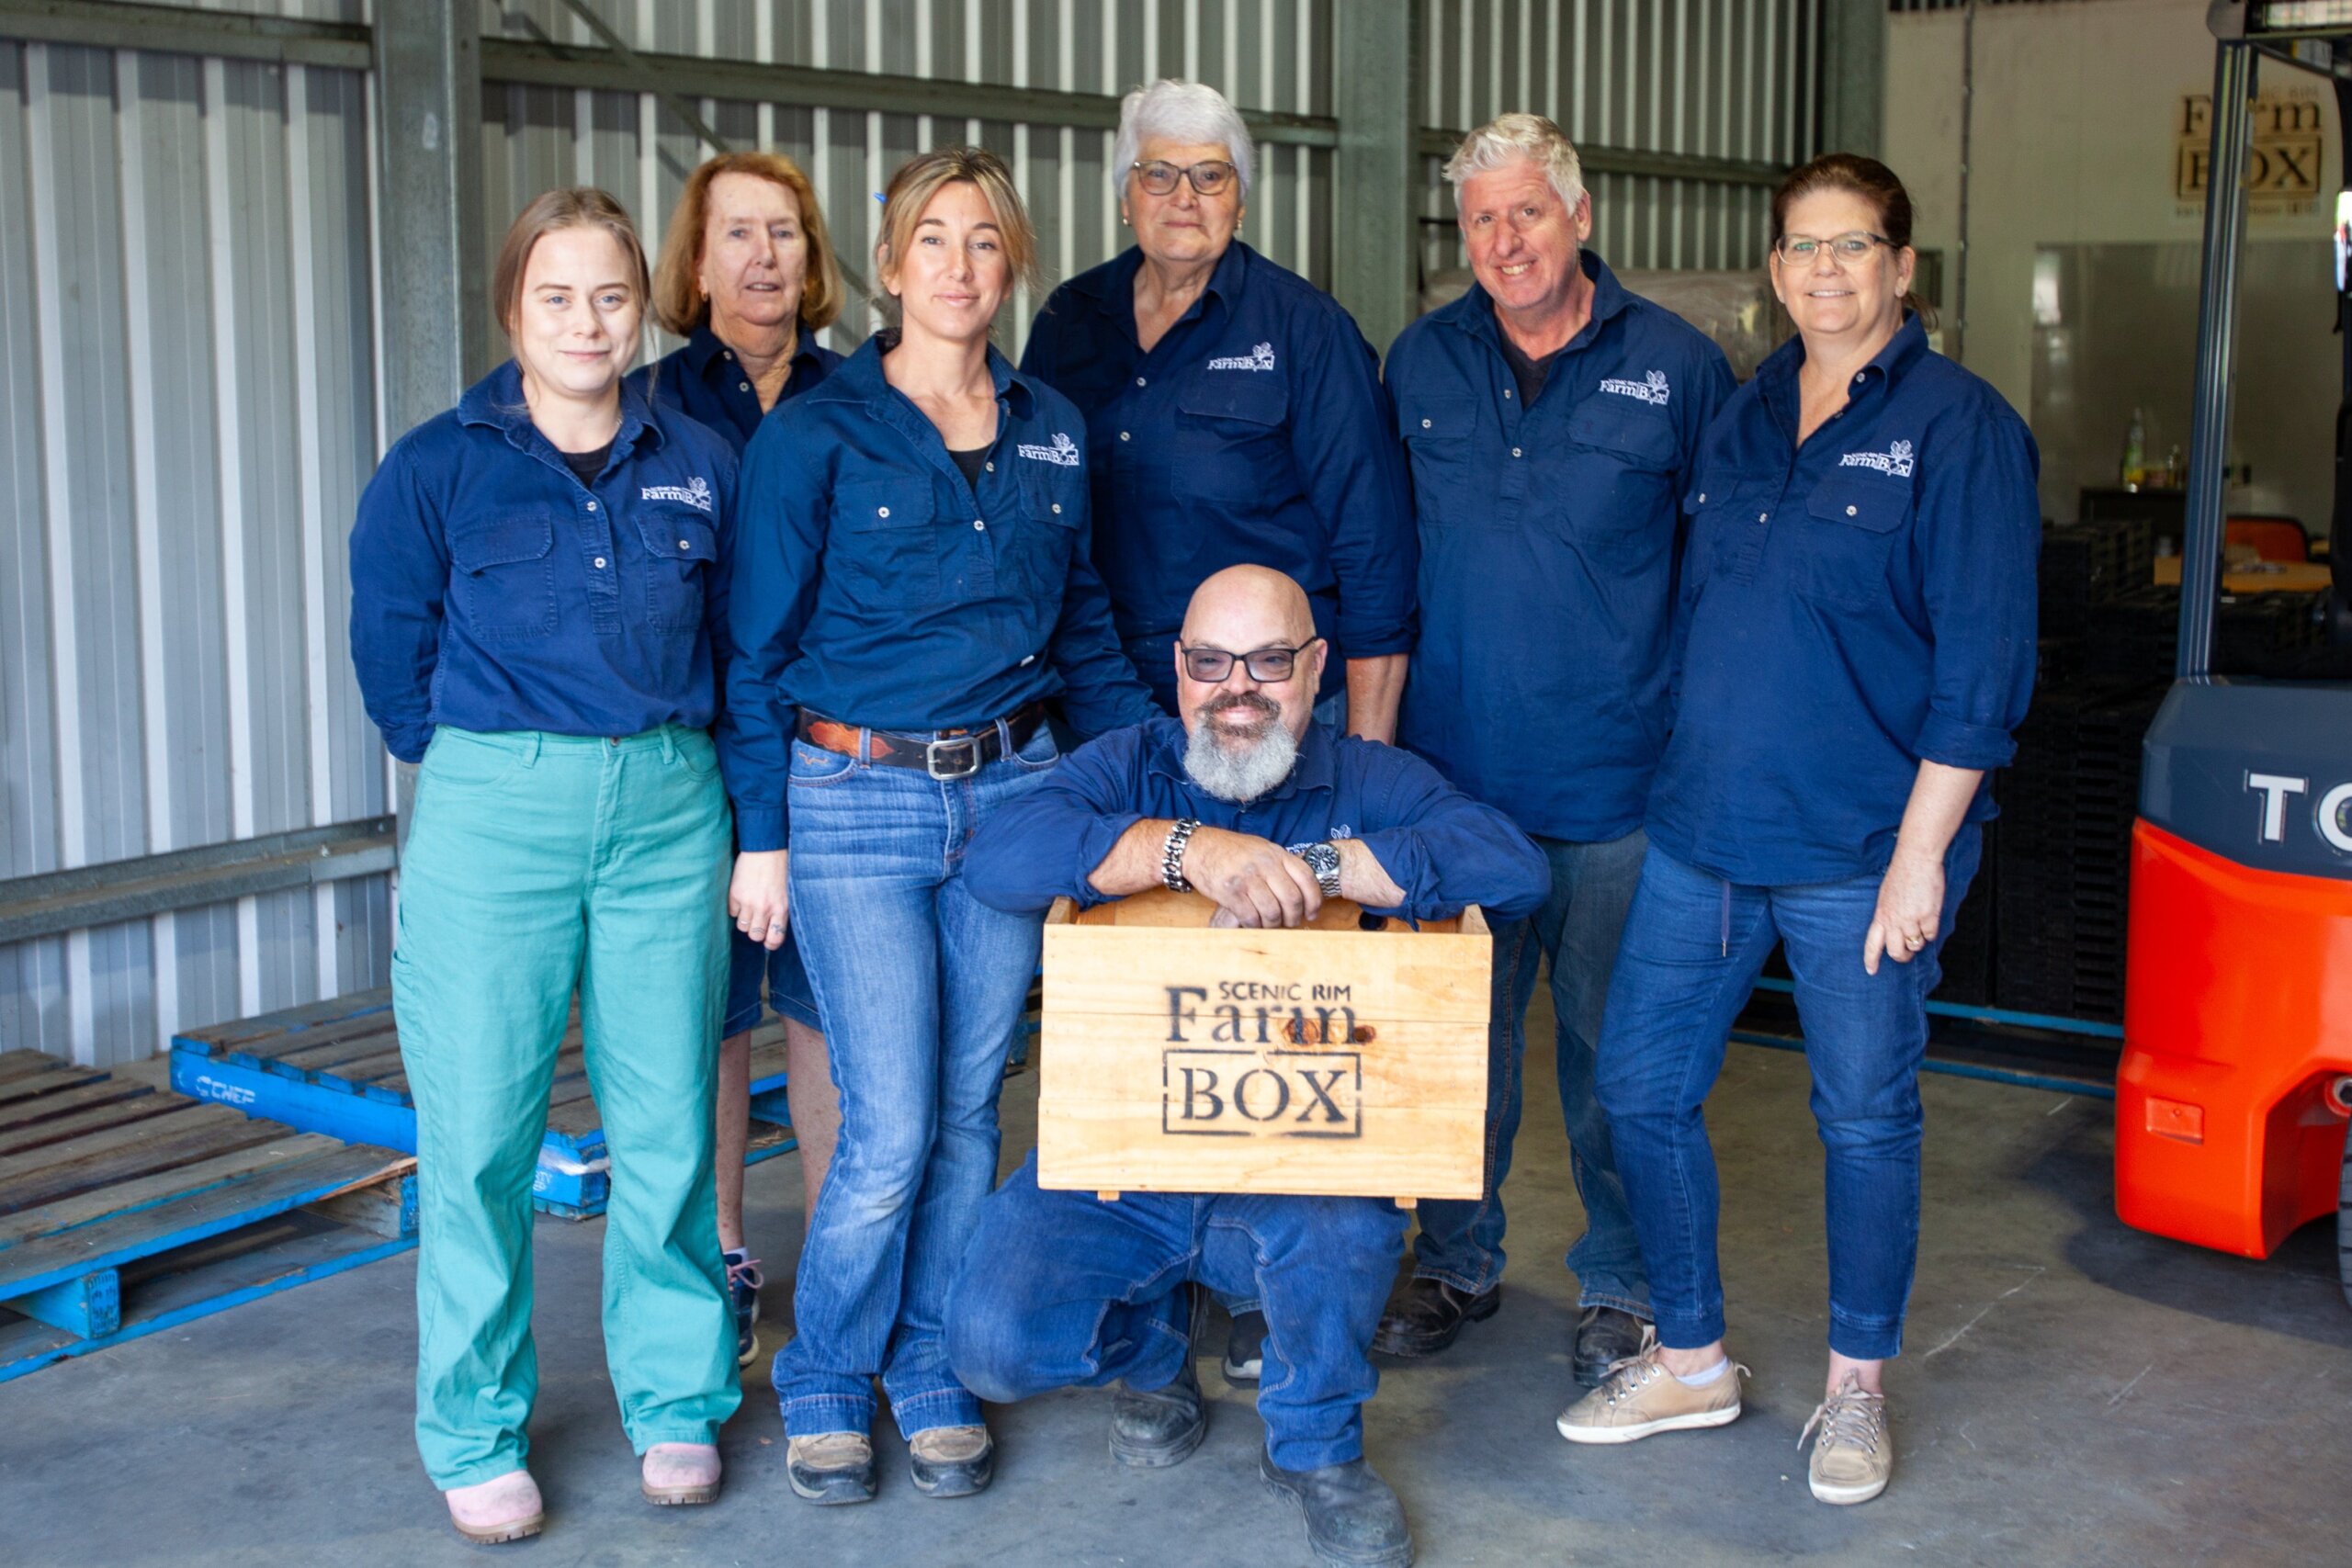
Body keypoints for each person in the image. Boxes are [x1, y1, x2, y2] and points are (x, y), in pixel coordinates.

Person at [1557, 154, 2038, 1509]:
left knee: (1864, 1118)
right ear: (1775, 267)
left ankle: (1855, 1389)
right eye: (1802, 247)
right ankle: (1695, 1354)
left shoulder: (1962, 428)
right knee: (1640, 1087)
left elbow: (1984, 669)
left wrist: (1920, 854)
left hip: (1859, 853)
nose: (1825, 270)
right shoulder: (1746, 409)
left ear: (1901, 267)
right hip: (1705, 832)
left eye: (1854, 246)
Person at [946, 566, 1549, 1568]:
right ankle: (1155, 1354)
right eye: (1210, 662)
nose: (1238, 688)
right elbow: (1001, 858)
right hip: (1126, 1166)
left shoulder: (1365, 777)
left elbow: (1510, 865)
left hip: (1300, 1170)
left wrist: (1320, 869)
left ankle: (1317, 1446)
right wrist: (1185, 851)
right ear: (1179, 670)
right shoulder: (1127, 763)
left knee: (1348, 1221)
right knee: (992, 1345)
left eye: (1269, 661)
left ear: (1314, 669)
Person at [722, 146, 1158, 1506]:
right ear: (891, 260)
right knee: (891, 1117)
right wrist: (760, 835)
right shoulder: (819, 431)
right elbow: (754, 652)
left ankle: (929, 1359)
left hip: (1018, 794)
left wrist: (1154, 789)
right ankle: (828, 1368)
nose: (959, 266)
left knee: (972, 1105)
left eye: (984, 242)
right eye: (934, 240)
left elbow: (1082, 619)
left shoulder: (1052, 426)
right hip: (852, 801)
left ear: (1008, 261)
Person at [350, 187, 742, 1543]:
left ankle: (678, 1397)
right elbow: (392, 654)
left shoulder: (696, 458)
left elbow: (742, 650)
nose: (587, 321)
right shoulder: (435, 467)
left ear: (644, 307)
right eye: (558, 296)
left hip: (668, 810)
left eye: (612, 296)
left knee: (668, 1123)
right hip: (491, 812)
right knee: (478, 1134)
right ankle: (472, 1421)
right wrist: (483, 766)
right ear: (513, 308)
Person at [1020, 76, 1418, 1382]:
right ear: (1125, 187)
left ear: (1241, 193)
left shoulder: (1301, 330)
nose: (1185, 200)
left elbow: (1371, 555)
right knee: (1138, 1017)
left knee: (1264, 1012)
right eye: (1161, 176)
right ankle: (1150, 1293)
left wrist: (1353, 772)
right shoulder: (1070, 324)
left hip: (1264, 737)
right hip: (1118, 734)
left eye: (1211, 177)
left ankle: (1262, 1284)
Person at [1377, 115, 1736, 1384]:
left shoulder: (1680, 369)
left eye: (1527, 212)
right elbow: (1381, 568)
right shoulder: (1419, 362)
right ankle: (1458, 1257)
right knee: (1455, 1052)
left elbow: (1722, 578)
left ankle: (1623, 1282)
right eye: (1480, 219)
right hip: (1455, 792)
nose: (1504, 240)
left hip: (1619, 794)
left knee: (1609, 1059)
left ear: (1580, 216)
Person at [639, 150, 849, 1365]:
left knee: (824, 1015)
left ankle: (833, 1255)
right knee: (709, 1019)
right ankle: (722, 1248)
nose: (764, 256)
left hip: (826, 756)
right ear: (699, 260)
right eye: (739, 235)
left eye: (785, 233)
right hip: (695, 761)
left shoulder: (859, 398)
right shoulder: (657, 404)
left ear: (813, 259)